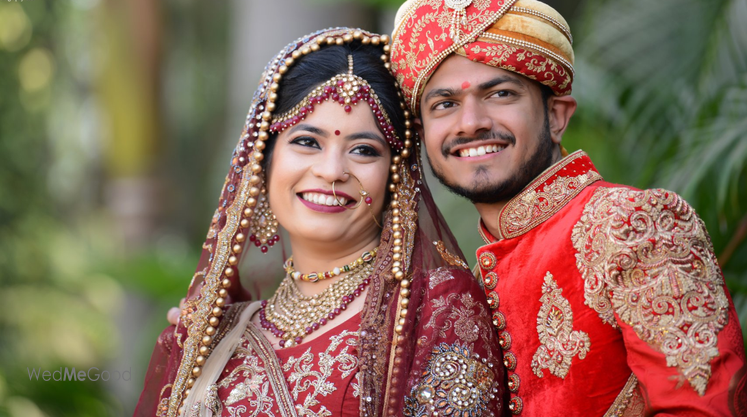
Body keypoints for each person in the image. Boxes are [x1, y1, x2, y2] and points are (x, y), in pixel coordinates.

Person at [389, 0, 747, 415]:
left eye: (500, 94)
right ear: (423, 134)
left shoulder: (631, 223)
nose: (470, 123)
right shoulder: (471, 288)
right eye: (444, 104)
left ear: (557, 116)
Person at [134, 28, 507, 417]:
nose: (331, 171)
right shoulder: (209, 338)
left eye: (363, 150)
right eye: (307, 142)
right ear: (263, 162)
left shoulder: (434, 309)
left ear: (395, 178)